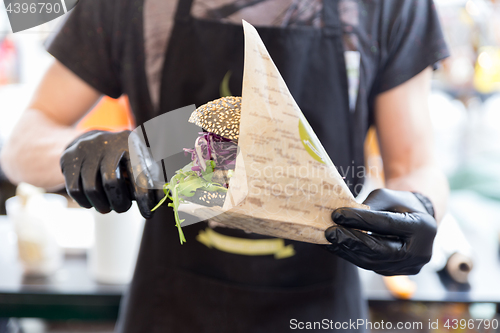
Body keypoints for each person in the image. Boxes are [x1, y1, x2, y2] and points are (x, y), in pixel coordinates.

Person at [0, 0, 450, 332]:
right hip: (171, 306)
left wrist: (420, 205)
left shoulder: (389, 6)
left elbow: (414, 161)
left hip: (322, 308)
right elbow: (22, 144)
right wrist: (86, 153)